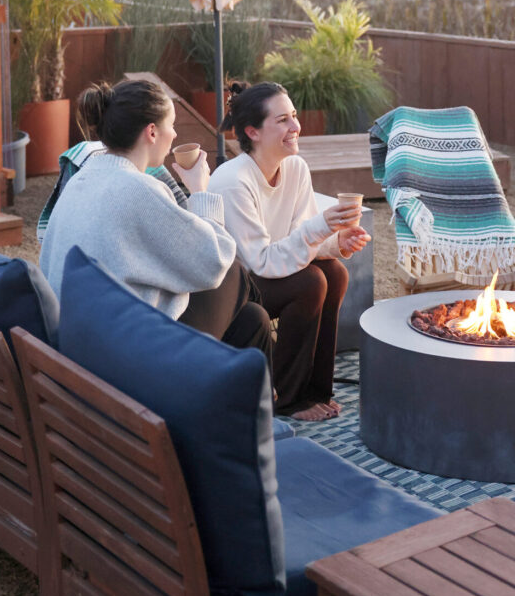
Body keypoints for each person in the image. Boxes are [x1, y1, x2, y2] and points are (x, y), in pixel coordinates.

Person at [39, 80, 271, 356]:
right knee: (232, 272)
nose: (174, 135)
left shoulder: (81, 179)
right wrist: (199, 190)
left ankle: (264, 394)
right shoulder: (139, 189)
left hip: (80, 344)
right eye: (171, 125)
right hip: (127, 358)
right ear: (151, 131)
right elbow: (213, 261)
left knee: (253, 321)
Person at [209, 81, 370, 422]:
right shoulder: (234, 181)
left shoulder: (295, 168)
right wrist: (322, 228)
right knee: (310, 282)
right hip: (234, 290)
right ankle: (287, 397)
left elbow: (301, 236)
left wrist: (335, 243)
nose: (295, 127)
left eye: (293, 116)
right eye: (282, 120)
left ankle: (315, 390)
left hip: (268, 271)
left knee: (335, 273)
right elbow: (260, 261)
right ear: (252, 131)